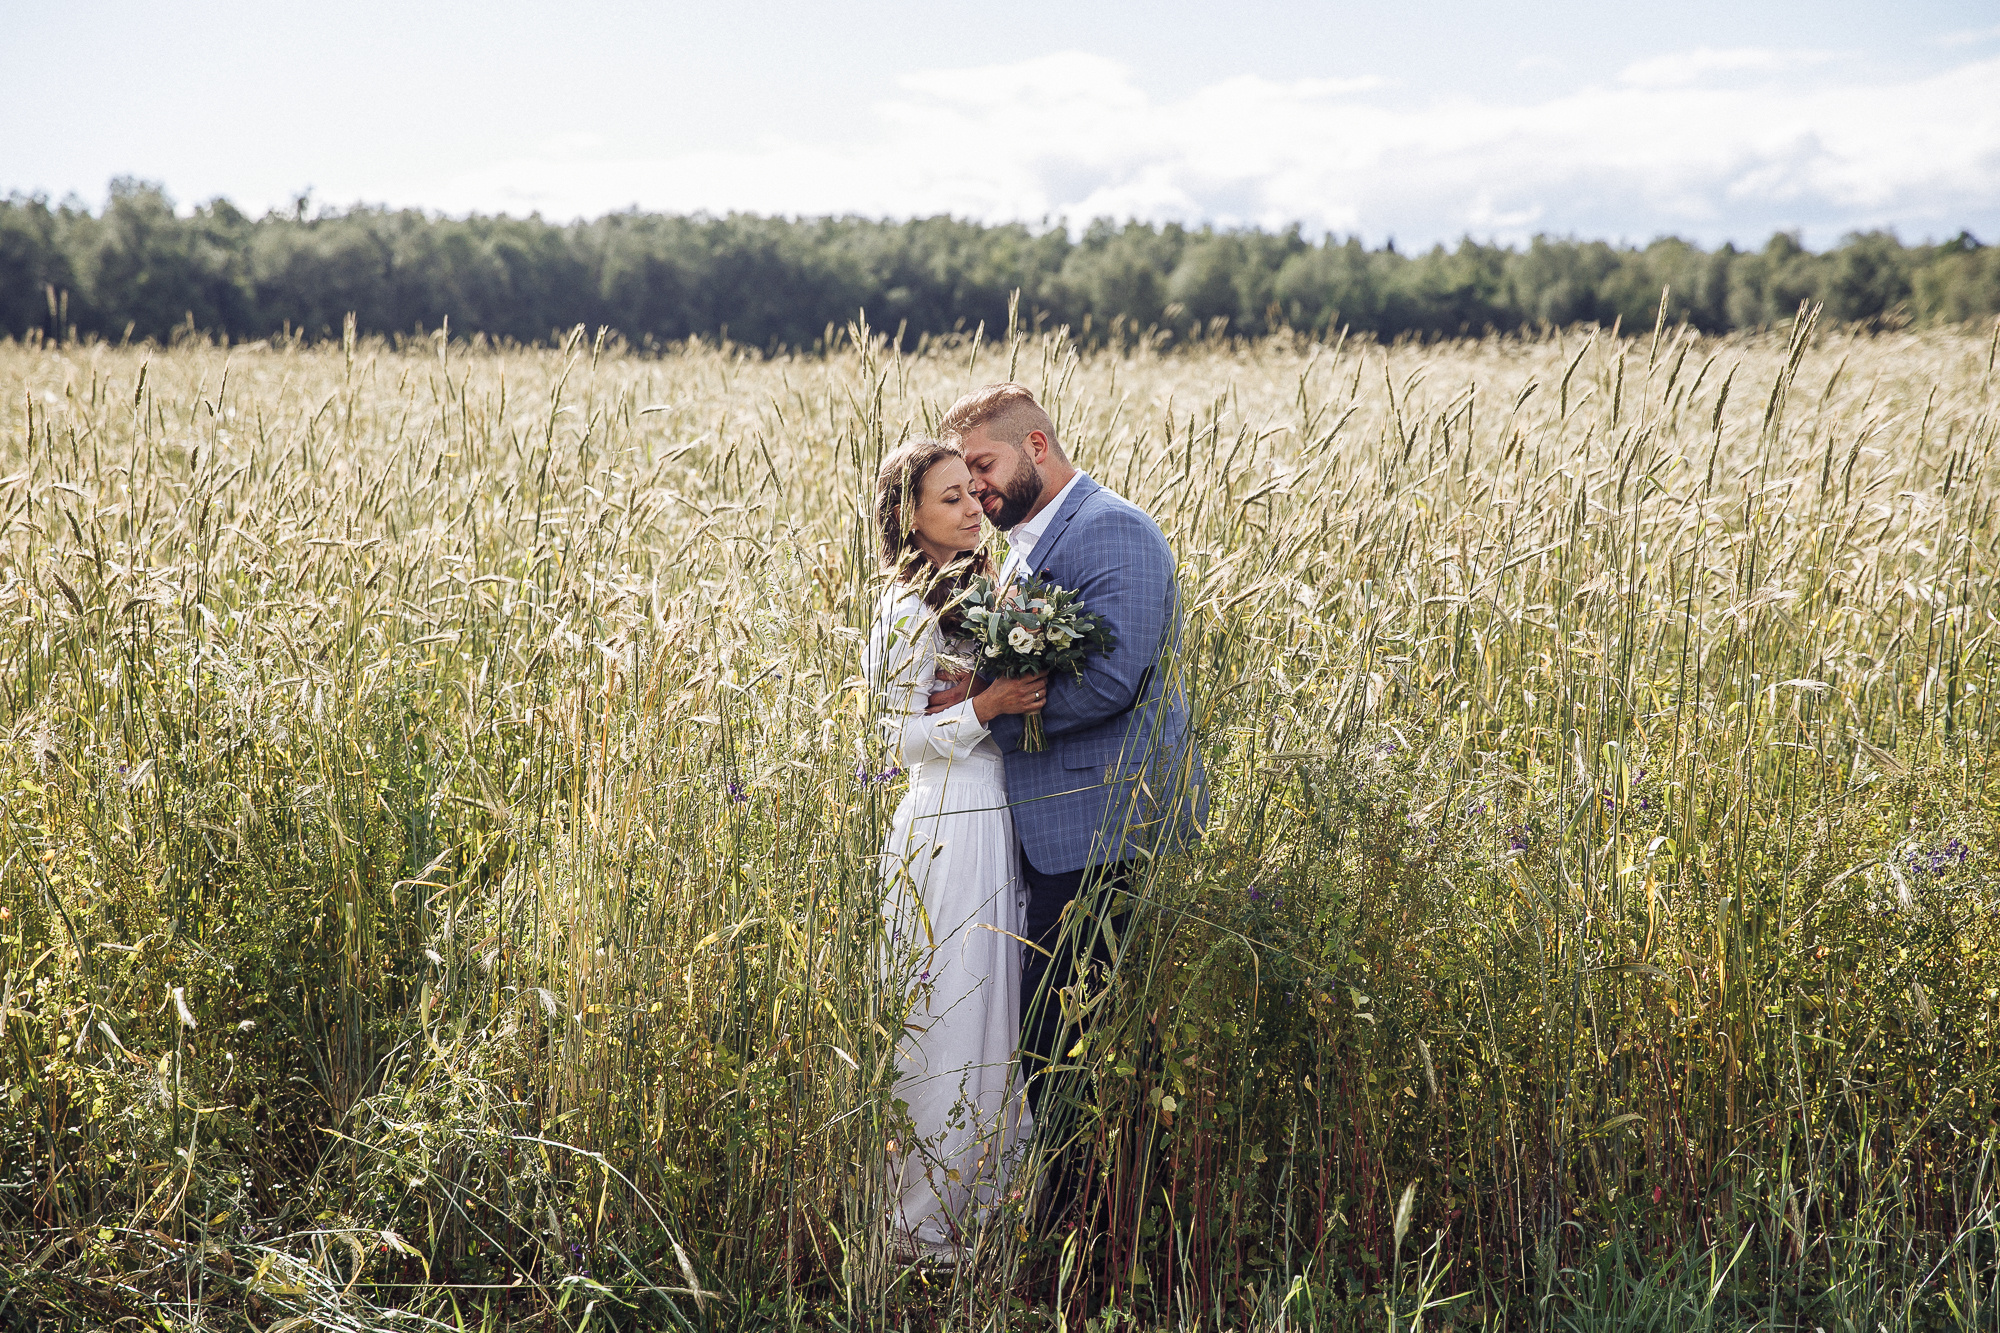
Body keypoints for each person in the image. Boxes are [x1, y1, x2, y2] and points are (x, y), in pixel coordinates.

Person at [931, 383, 1208, 1230]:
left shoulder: (1111, 529)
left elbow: (1114, 680)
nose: (975, 486)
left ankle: (1091, 1240)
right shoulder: (1023, 545)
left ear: (1037, 448)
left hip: (1105, 830)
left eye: (985, 464)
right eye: (966, 472)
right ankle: (1077, 1227)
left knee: (1076, 1045)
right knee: (1058, 1045)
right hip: (1058, 834)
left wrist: (993, 719)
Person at [862, 437, 1050, 1264]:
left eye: (973, 494)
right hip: (942, 822)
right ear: (911, 517)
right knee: (944, 1007)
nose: (974, 507)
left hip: (994, 814)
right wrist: (987, 706)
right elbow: (889, 738)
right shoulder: (904, 608)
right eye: (951, 499)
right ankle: (919, 1217)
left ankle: (987, 1201)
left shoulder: (986, 592)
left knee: (991, 1007)